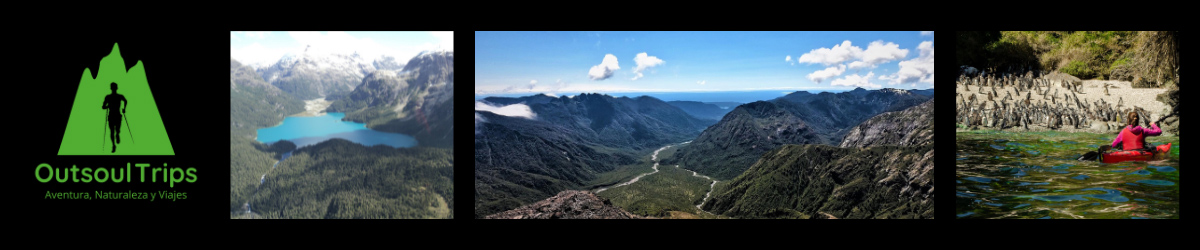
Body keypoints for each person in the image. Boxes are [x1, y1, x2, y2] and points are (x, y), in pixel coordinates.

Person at [102, 82, 128, 153]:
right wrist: (124, 108)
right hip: (113, 115)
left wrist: (124, 108)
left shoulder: (117, 96)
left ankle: (117, 135)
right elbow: (103, 106)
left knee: (117, 129)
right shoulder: (109, 97)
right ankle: (113, 145)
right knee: (112, 131)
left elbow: (126, 101)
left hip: (116, 115)